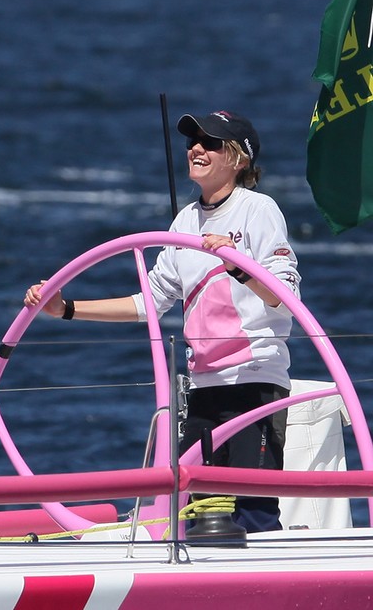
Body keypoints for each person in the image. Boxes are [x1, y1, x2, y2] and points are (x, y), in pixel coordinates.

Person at [24, 110, 300, 533]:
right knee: (200, 516)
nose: (196, 148)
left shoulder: (259, 210)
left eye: (210, 142)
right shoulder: (185, 221)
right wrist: (66, 309)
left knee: (254, 513)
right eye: (194, 140)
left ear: (239, 159)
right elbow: (149, 302)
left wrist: (238, 264)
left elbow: (287, 298)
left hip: (255, 380)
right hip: (205, 384)